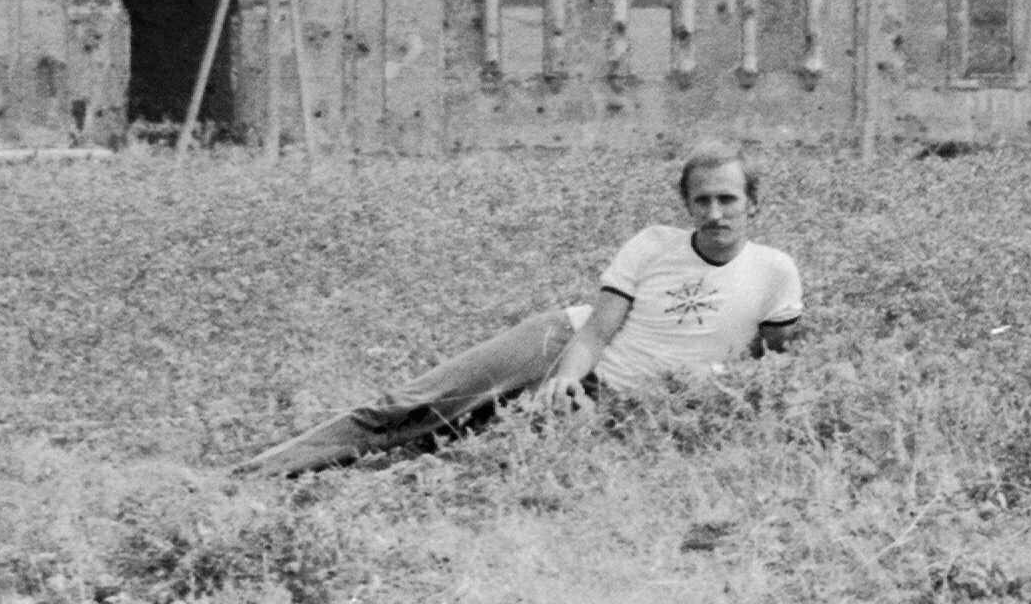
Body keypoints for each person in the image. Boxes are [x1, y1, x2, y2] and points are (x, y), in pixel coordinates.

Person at [232, 138, 806, 478]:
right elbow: (598, 330)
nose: (715, 213)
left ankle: (316, 475)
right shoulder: (655, 244)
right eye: (701, 200)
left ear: (753, 202)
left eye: (728, 199)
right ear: (686, 203)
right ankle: (253, 474)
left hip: (629, 403)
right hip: (564, 344)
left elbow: (772, 367)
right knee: (416, 404)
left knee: (448, 448)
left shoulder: (774, 272)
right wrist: (564, 382)